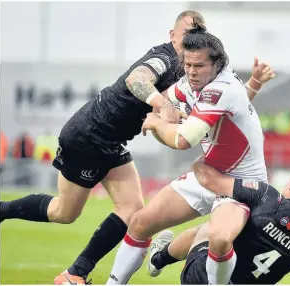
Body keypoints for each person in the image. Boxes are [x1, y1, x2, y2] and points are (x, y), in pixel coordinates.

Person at [0, 10, 205, 285]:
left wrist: (161, 123)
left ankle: (74, 274)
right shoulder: (164, 58)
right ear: (172, 36)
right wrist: (163, 106)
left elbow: (157, 120)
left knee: (131, 208)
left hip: (110, 142)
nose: (192, 40)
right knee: (65, 213)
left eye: (197, 35)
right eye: (187, 34)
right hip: (89, 137)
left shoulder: (186, 69)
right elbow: (136, 80)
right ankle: (4, 212)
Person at [106, 24, 275, 285]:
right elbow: (164, 97)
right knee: (140, 222)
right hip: (208, 172)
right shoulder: (191, 81)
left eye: (199, 66)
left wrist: (156, 123)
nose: (192, 72)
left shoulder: (221, 88)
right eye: (188, 65)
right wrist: (161, 108)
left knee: (217, 239)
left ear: (217, 64)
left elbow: (183, 140)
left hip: (240, 184)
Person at [148, 162, 290, 285]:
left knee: (213, 227)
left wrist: (202, 160)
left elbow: (208, 179)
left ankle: (158, 260)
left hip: (204, 278)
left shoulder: (267, 197)